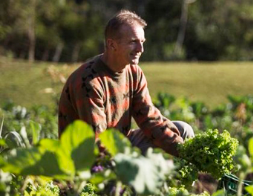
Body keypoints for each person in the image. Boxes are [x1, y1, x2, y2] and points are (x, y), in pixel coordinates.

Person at [58, 10, 194, 156]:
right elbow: (97, 141)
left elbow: (149, 119)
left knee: (182, 130)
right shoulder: (89, 82)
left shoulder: (134, 73)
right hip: (86, 157)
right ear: (112, 44)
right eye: (133, 42)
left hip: (120, 144)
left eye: (142, 42)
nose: (140, 49)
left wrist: (184, 150)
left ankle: (185, 176)